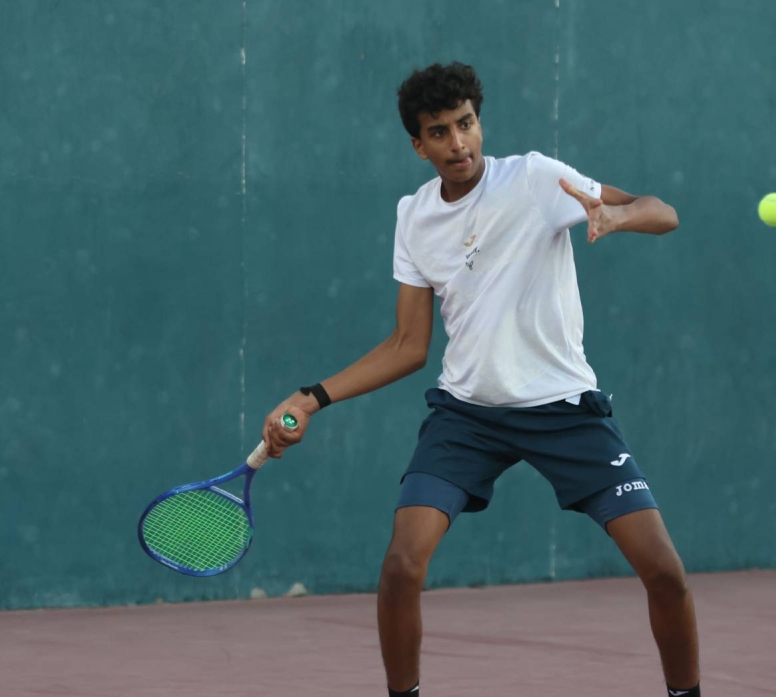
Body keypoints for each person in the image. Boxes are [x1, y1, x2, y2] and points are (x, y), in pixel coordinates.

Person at [262, 62, 701, 697]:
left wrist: (617, 218)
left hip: (564, 410)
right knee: (401, 566)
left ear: (479, 121)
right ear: (418, 145)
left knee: (664, 571)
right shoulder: (414, 216)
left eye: (465, 124)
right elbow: (408, 346)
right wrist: (312, 398)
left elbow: (663, 211)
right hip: (466, 417)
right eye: (439, 132)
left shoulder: (535, 178)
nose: (458, 143)